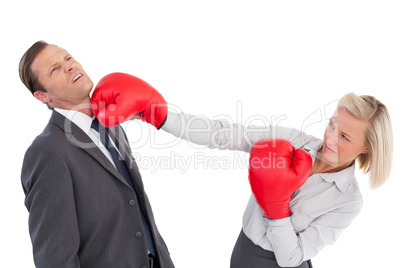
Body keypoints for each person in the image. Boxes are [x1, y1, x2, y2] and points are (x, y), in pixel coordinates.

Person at [90, 73, 393, 267]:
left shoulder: (348, 201)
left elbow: (292, 257)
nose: (328, 138)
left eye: (344, 137)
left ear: (366, 148)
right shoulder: (293, 141)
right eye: (331, 125)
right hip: (243, 252)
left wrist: (277, 208)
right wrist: (160, 115)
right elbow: (224, 134)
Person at [19, 41, 174, 268]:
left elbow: (134, 206)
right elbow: (55, 258)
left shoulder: (111, 125)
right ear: (43, 96)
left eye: (67, 58)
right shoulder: (46, 152)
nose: (69, 66)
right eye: (54, 69)